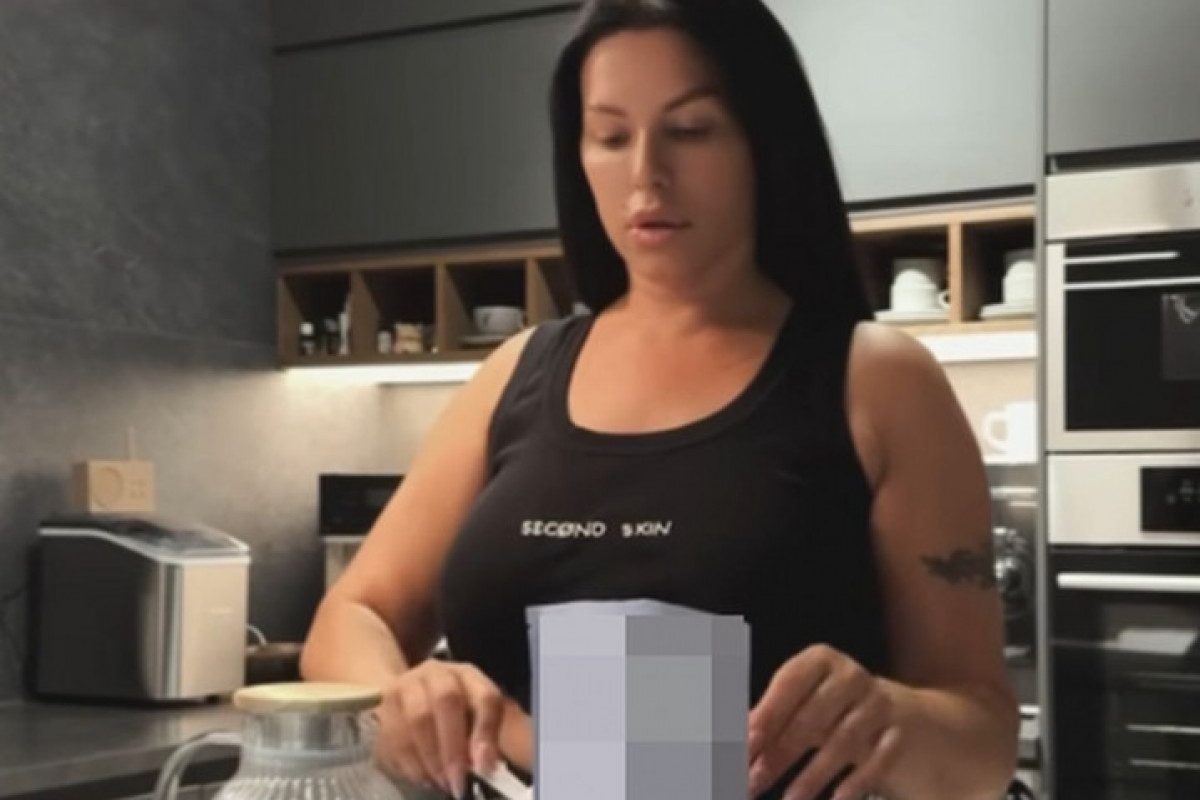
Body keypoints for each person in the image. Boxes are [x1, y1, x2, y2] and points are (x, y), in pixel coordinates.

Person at [300, 1, 1019, 798]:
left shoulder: (876, 381)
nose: (646, 173)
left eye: (691, 129)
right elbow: (354, 614)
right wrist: (403, 694)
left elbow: (983, 741)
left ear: (763, 142)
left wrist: (891, 719)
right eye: (611, 137)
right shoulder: (515, 373)